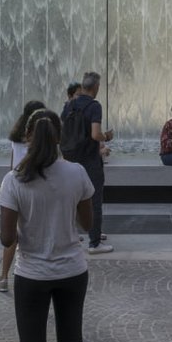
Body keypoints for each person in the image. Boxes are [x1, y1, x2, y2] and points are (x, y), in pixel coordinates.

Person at [0, 107, 96, 342]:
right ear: (59, 137)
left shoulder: (14, 180)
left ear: (27, 138)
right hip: (71, 271)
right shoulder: (77, 173)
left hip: (31, 275)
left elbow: (7, 239)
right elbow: (86, 224)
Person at [0, 100, 47, 294]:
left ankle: (4, 277)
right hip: (35, 186)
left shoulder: (16, 137)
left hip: (17, 185)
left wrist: (11, 185)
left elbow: (11, 165)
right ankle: (36, 272)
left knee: (13, 234)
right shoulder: (39, 138)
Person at [62, 72, 113, 255]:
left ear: (83, 86)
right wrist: (107, 136)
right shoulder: (94, 106)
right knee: (94, 200)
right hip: (90, 160)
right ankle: (95, 243)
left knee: (70, 199)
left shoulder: (68, 105)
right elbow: (95, 134)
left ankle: (71, 237)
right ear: (96, 87)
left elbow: (63, 132)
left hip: (69, 159)